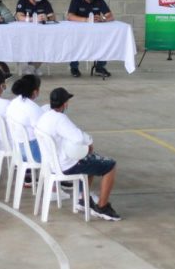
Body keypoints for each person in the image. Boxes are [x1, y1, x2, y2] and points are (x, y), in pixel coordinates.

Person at [36, 88, 120, 221]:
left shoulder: (45, 116)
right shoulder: (60, 119)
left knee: (91, 161)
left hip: (51, 163)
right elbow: (79, 138)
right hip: (65, 165)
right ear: (65, 104)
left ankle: (83, 198)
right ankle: (102, 206)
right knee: (110, 166)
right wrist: (89, 142)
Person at [67, 0, 115, 78]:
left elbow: (110, 16)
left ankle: (100, 67)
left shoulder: (99, 0)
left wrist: (103, 19)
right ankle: (74, 67)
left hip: (96, 32)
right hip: (79, 32)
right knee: (74, 44)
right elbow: (70, 16)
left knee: (105, 42)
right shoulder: (76, 0)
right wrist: (86, 20)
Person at [16, 0, 55, 75]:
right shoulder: (22, 2)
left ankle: (33, 67)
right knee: (26, 45)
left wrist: (47, 18)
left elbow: (53, 17)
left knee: (47, 45)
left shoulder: (45, 2)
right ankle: (29, 67)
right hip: (25, 34)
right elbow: (19, 17)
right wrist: (34, 19)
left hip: (42, 34)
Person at [7, 74, 44, 164]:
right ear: (35, 92)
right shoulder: (33, 109)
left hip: (17, 149)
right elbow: (45, 132)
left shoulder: (13, 103)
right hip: (32, 153)